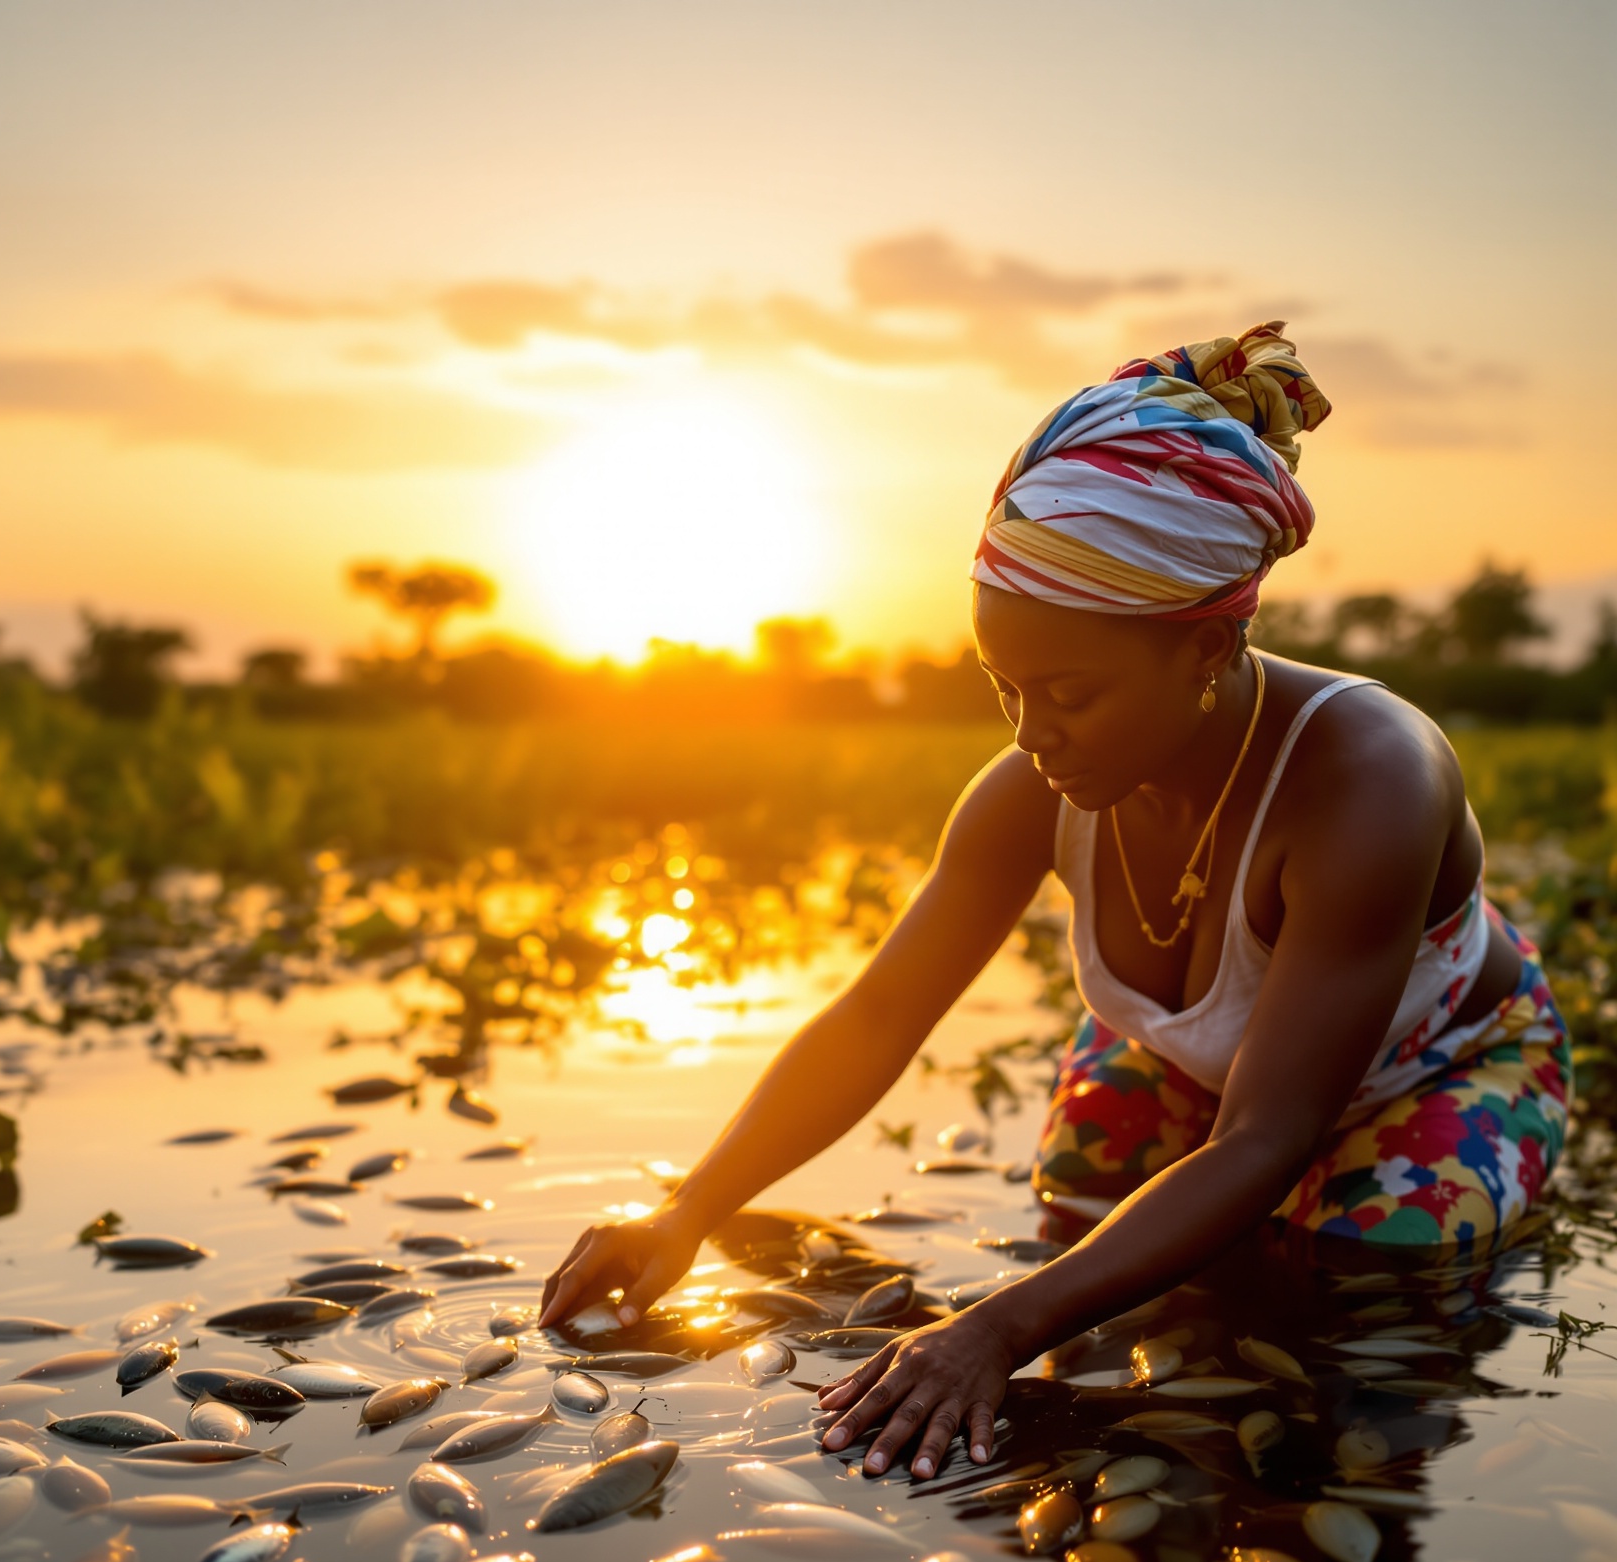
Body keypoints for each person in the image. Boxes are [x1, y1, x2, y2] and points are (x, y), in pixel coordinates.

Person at [539, 323, 1572, 1483]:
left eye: (1070, 693)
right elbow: (876, 1018)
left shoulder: (1368, 781)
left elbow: (1266, 1137)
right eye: (1005, 689)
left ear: (1205, 647)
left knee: (1364, 1268)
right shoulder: (1027, 792)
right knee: (1077, 1194)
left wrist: (994, 1330)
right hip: (1198, 1071)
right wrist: (684, 1211)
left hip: (1428, 1072)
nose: (1032, 736)